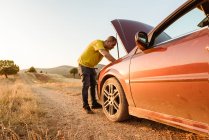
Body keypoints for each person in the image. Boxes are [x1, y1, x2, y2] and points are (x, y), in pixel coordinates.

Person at [78, 36, 117, 114]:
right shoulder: (98, 42)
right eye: (112, 45)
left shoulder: (106, 49)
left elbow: (109, 59)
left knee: (93, 85)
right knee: (86, 85)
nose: (113, 48)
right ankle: (85, 106)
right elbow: (105, 54)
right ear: (108, 41)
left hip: (91, 67)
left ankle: (94, 104)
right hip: (83, 64)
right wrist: (117, 62)